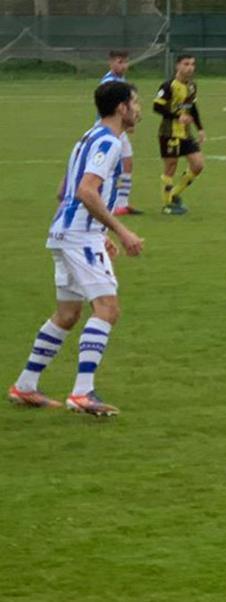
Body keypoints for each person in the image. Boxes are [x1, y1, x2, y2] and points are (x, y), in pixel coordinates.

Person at [8, 81, 145, 416]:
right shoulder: (110, 142)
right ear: (121, 108)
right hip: (77, 236)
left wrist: (97, 231)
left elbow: (63, 190)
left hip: (66, 233)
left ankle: (25, 386)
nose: (139, 109)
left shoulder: (87, 137)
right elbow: (86, 190)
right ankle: (83, 393)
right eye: (135, 102)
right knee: (107, 309)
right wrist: (120, 230)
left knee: (68, 315)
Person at [153, 54, 205, 215]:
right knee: (171, 166)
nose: (190, 67)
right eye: (186, 64)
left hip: (186, 133)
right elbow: (157, 106)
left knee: (198, 165)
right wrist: (177, 116)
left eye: (192, 64)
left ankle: (174, 193)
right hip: (169, 133)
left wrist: (200, 128)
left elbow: (191, 108)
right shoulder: (168, 86)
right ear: (178, 66)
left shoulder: (191, 86)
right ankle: (167, 205)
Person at [99, 50, 143, 215]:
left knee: (127, 162)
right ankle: (109, 202)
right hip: (111, 127)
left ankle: (122, 203)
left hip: (119, 127)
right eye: (119, 62)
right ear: (110, 63)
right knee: (114, 166)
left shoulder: (120, 80)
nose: (123, 65)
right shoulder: (109, 82)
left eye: (125, 62)